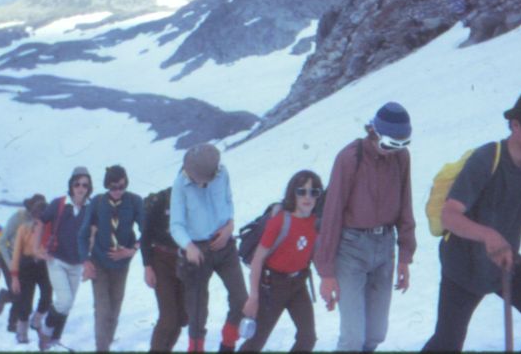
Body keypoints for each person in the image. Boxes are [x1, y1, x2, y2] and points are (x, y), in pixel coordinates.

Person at [422, 88, 521, 352]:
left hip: (505, 261)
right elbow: (450, 215)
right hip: (464, 265)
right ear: (515, 124)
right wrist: (488, 235)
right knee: (447, 343)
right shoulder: (487, 158)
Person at [314, 102, 417, 351]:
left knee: (376, 334)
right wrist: (327, 273)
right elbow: (332, 214)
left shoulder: (401, 158)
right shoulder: (350, 158)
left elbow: (406, 205)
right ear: (374, 132)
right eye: (391, 144)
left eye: (403, 144)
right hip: (351, 250)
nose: (395, 151)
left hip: (384, 248)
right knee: (352, 338)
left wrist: (405, 256)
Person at [170, 143, 248, 352]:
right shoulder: (181, 183)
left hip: (225, 245)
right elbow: (176, 224)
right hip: (197, 251)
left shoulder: (223, 174)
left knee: (241, 298)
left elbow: (228, 201)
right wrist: (189, 246)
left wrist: (230, 225)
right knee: (197, 311)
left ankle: (228, 343)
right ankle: (196, 349)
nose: (197, 182)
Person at [240, 170, 324, 352]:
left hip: (298, 285)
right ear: (293, 193)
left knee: (308, 338)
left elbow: (314, 254)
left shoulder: (316, 222)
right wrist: (253, 297)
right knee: (255, 342)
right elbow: (257, 260)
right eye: (302, 191)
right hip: (272, 287)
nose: (307, 197)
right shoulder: (280, 221)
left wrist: (327, 280)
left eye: (313, 192)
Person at [79, 165, 144, 351]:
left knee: (114, 310)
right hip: (99, 261)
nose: (117, 191)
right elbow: (82, 234)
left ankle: (106, 343)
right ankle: (102, 349)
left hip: (122, 264)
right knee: (102, 309)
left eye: (121, 186)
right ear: (107, 185)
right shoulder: (97, 202)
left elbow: (146, 231)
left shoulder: (134, 201)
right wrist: (86, 261)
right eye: (113, 187)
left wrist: (132, 250)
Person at [35, 166, 94, 351]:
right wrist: (37, 247)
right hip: (57, 260)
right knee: (65, 301)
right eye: (77, 183)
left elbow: (93, 234)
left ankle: (53, 340)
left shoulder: (90, 208)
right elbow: (40, 222)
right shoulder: (59, 204)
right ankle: (45, 332)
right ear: (71, 185)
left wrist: (89, 261)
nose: (81, 187)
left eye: (85, 184)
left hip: (76, 264)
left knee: (66, 305)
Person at [0, 194, 52, 334]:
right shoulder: (19, 218)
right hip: (8, 255)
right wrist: (11, 265)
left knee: (21, 293)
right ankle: (13, 323)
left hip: (32, 259)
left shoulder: (46, 221)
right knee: (19, 292)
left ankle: (6, 299)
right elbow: (1, 242)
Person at [141, 186, 187, 352]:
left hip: (186, 262)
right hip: (162, 260)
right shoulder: (163, 199)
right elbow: (145, 234)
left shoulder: (199, 201)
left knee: (183, 317)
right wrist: (147, 266)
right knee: (168, 317)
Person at [9, 194, 52, 344]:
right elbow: (16, 253)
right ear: (32, 215)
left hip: (43, 265)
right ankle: (21, 333)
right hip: (26, 265)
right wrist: (14, 276)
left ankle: (37, 319)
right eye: (36, 216)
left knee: (47, 295)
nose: (39, 219)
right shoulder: (23, 229)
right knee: (25, 301)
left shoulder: (50, 230)